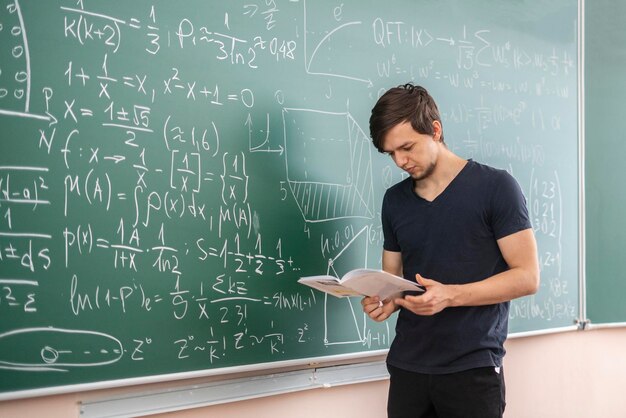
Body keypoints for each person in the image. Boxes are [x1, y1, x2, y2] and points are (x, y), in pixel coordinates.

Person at [362, 83, 540, 418]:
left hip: (472, 369)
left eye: (407, 147)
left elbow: (527, 277)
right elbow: (393, 279)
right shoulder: (394, 201)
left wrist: (449, 295)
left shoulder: (496, 187)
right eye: (391, 154)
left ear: (435, 129)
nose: (400, 161)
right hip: (407, 368)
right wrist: (386, 300)